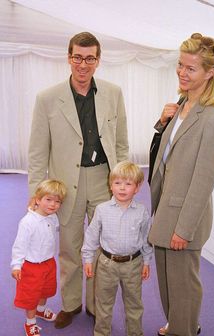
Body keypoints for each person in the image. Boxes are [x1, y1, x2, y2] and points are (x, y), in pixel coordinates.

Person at [28, 31, 129, 329]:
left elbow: (121, 142)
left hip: (103, 178)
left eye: (89, 58)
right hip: (64, 184)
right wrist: (36, 192)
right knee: (70, 248)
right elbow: (37, 150)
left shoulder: (113, 92)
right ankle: (71, 304)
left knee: (100, 247)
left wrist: (124, 182)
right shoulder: (47, 98)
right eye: (77, 57)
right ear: (68, 57)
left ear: (98, 60)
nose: (83, 65)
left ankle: (97, 306)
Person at [148, 33, 214, 336]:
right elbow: (166, 156)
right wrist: (162, 123)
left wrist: (185, 227)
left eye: (190, 68)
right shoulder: (181, 104)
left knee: (184, 287)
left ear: (211, 72)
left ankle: (185, 329)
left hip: (183, 218)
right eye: (180, 65)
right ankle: (179, 326)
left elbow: (204, 179)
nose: (182, 73)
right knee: (168, 284)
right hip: (165, 208)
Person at [81, 161, 153, 336]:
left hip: (133, 264)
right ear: (110, 185)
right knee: (103, 304)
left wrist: (146, 261)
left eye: (128, 184)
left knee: (134, 304)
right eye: (117, 183)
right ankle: (101, 333)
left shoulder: (142, 211)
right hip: (107, 264)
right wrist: (88, 259)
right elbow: (91, 236)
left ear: (137, 188)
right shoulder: (102, 210)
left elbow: (145, 239)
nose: (122, 188)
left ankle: (135, 333)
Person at [11, 179, 67, 336]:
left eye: (57, 201)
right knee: (31, 296)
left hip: (49, 263)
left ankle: (40, 311)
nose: (53, 205)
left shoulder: (53, 217)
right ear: (37, 199)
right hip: (31, 267)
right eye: (48, 199)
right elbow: (19, 246)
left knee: (46, 291)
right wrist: (16, 265)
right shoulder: (27, 222)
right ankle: (30, 323)